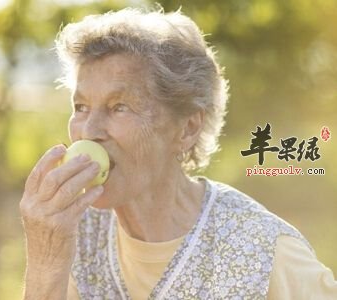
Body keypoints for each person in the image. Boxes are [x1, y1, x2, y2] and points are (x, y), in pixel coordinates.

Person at [19, 7, 337, 300]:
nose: (89, 131)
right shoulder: (74, 232)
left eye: (119, 107)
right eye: (81, 107)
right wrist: (46, 262)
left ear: (186, 129)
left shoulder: (264, 250)